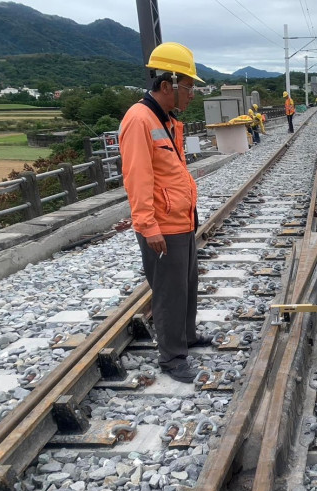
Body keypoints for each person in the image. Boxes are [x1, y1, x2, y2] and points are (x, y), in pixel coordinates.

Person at [118, 42, 211, 383]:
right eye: (188, 87)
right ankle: (172, 358)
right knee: (169, 292)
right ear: (167, 84)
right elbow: (137, 177)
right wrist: (147, 224)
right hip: (162, 225)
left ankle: (185, 337)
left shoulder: (166, 120)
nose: (192, 94)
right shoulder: (139, 120)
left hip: (181, 219)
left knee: (186, 284)